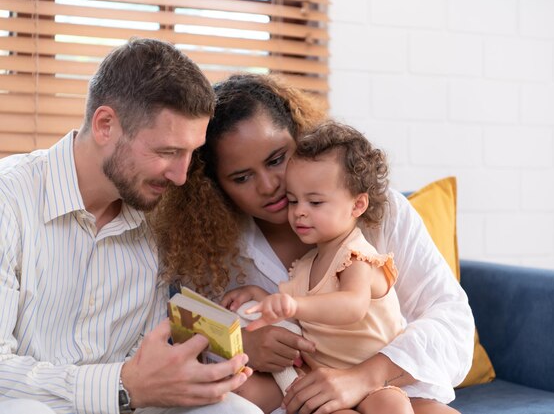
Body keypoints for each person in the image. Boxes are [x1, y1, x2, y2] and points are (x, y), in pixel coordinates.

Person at [152, 73, 475, 414]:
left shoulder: (381, 213)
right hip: (302, 395)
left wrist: (364, 376)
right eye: (242, 177)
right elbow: (184, 335)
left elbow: (453, 322)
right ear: (215, 186)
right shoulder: (206, 247)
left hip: (394, 384)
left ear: (301, 140)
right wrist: (244, 344)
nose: (268, 185)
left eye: (277, 159)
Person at [0, 38, 261, 414]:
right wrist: (122, 386)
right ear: (105, 125)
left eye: (190, 154)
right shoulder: (10, 200)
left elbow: (152, 362)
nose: (181, 175)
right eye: (167, 152)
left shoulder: (156, 219)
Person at [221, 121, 413, 414]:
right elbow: (289, 304)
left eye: (315, 202)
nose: (299, 212)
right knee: (245, 389)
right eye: (293, 200)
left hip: (372, 377)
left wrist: (293, 306)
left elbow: (352, 305)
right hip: (324, 374)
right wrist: (259, 295)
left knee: (391, 406)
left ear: (357, 205)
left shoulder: (356, 255)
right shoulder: (307, 264)